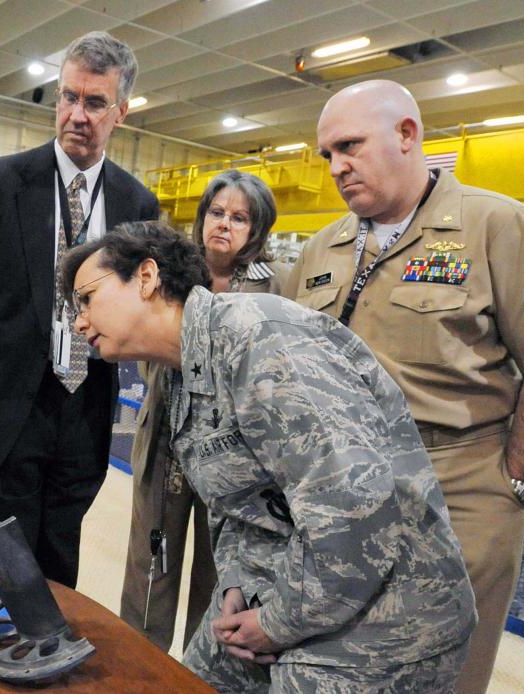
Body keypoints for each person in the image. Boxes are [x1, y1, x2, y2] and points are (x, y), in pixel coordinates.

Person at [60, 221, 476, 692]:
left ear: (147, 277)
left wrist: (276, 623)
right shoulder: (179, 370)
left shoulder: (261, 342)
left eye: (87, 298)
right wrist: (237, 582)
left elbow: (353, 512)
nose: (78, 321)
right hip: (290, 588)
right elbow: (235, 502)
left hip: (384, 621)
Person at [283, 79, 524, 693]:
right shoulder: (320, 249)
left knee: (447, 675)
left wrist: (512, 483)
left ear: (407, 135)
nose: (336, 166)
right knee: (338, 668)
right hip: (342, 491)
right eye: (328, 153)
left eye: (350, 146)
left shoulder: (497, 227)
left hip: (460, 488)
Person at [0, 31, 158, 589]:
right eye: (67, 97)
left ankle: (51, 659)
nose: (76, 114)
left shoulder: (137, 204)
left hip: (84, 415)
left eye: (94, 103)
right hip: (7, 411)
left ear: (121, 112)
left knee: (60, 557)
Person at [121, 170, 288, 651]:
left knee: (222, 569)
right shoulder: (170, 272)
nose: (225, 225)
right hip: (168, 441)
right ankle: (139, 660)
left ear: (256, 230)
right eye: (217, 213)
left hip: (235, 453)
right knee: (150, 559)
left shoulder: (276, 286)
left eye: (239, 218)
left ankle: (204, 667)